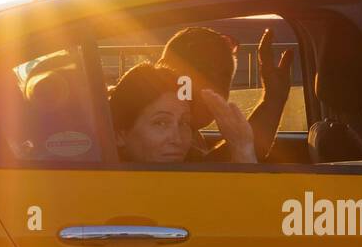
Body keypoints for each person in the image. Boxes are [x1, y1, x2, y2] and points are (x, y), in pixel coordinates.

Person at [157, 24, 293, 161]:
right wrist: (273, 101)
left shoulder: (189, 133)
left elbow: (211, 170)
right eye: (202, 72)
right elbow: (207, 176)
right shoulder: (153, 129)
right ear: (164, 69)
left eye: (224, 77)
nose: (214, 87)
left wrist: (273, 99)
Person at [109, 61, 255, 164]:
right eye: (161, 123)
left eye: (184, 122)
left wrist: (242, 148)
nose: (177, 139)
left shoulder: (193, 176)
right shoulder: (105, 189)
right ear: (120, 135)